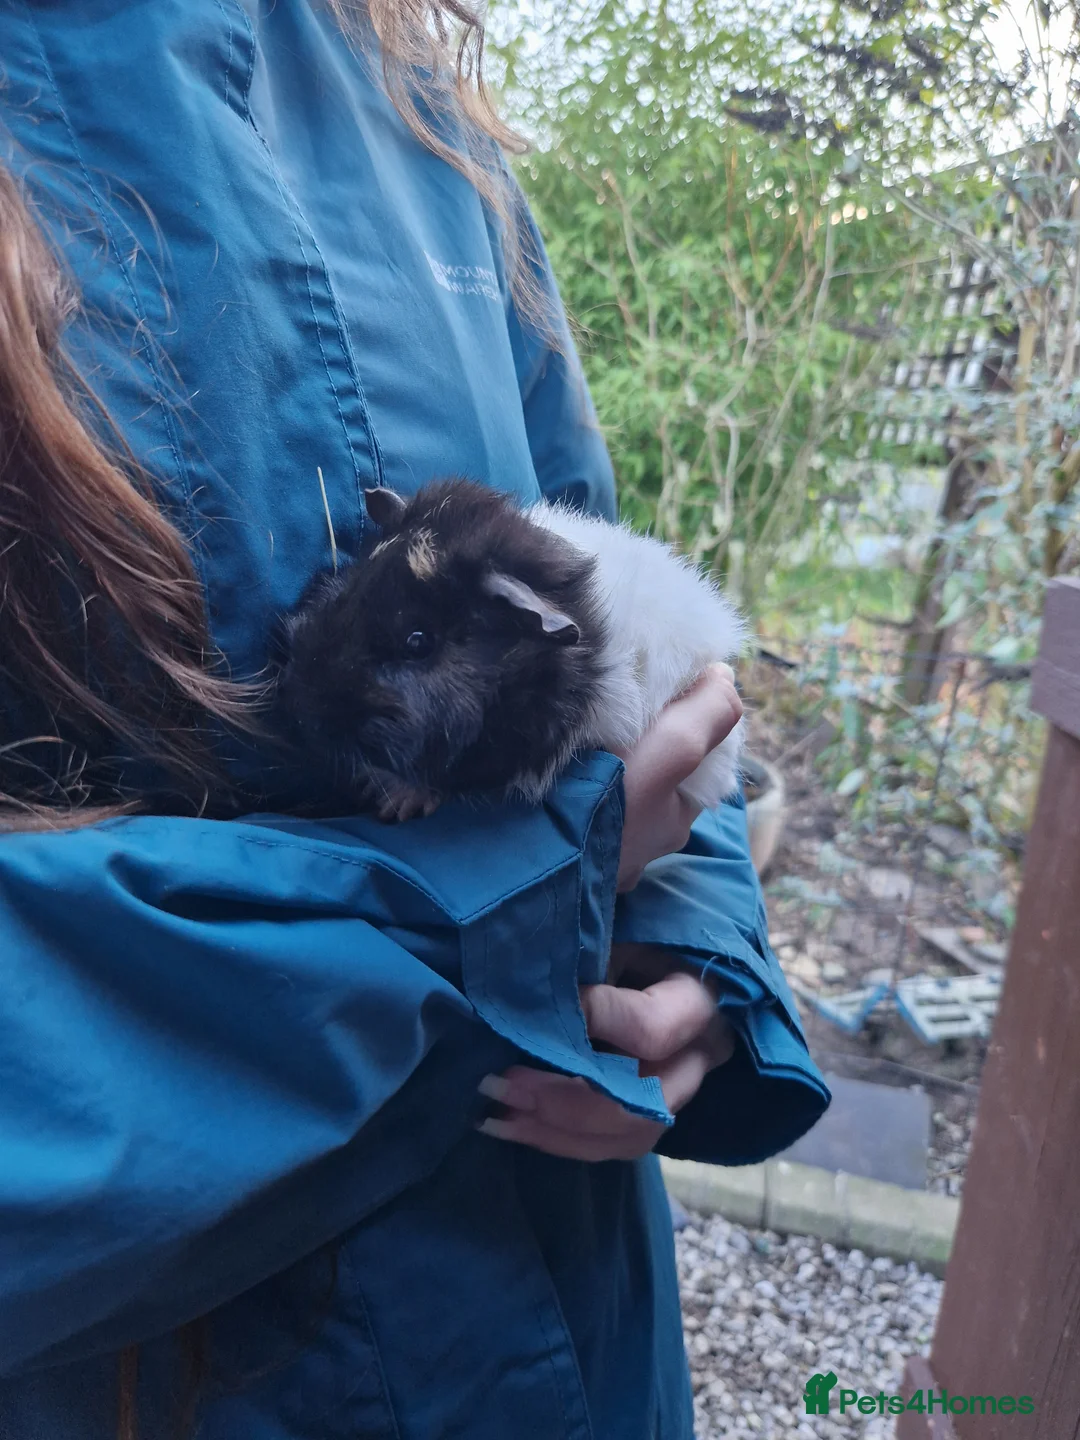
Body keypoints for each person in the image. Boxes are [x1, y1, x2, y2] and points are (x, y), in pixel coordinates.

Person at [0, 2, 829, 1436]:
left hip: (580, 1317)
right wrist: (501, 917)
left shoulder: (411, 95)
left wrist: (698, 955)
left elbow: (634, 627)